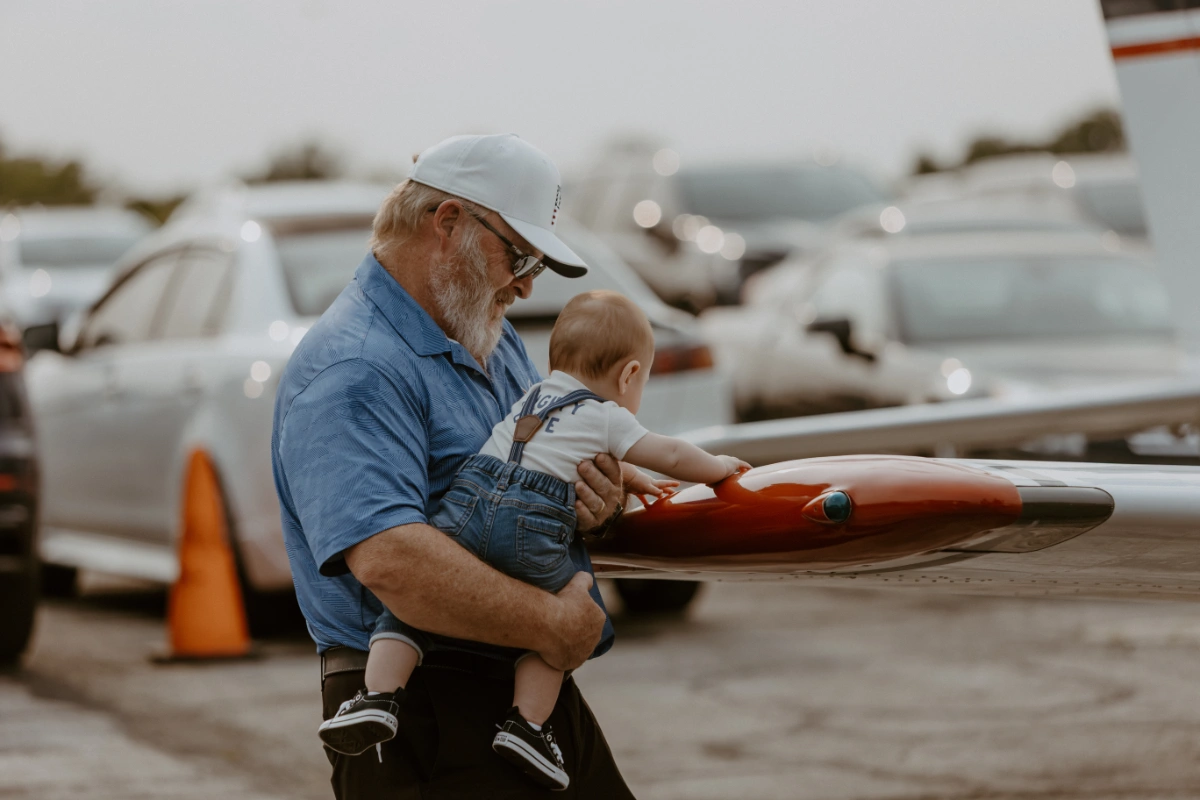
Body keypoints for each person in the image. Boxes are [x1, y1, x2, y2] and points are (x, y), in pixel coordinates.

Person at [273, 134, 636, 799]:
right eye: (519, 255)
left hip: (512, 696)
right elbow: (390, 561)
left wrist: (596, 501)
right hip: (417, 714)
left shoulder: (485, 340)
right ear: (447, 223)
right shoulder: (355, 367)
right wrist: (553, 625)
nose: (526, 284)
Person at [316, 289, 750, 791]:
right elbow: (670, 453)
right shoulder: (607, 415)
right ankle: (528, 726)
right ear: (630, 375)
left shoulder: (535, 394)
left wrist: (627, 479)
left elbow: (555, 451)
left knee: (409, 611)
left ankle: (377, 698)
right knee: (561, 615)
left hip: (468, 504)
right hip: (529, 524)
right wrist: (718, 469)